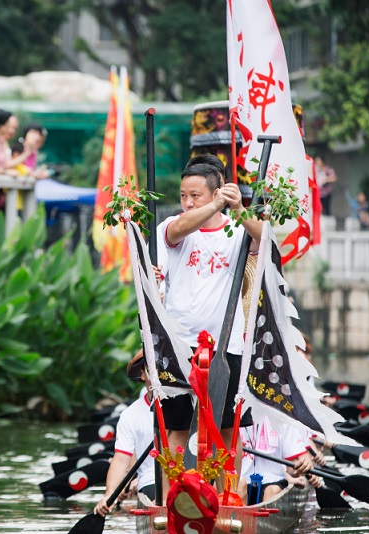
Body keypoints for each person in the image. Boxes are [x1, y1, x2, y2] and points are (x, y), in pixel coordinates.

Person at [157, 158, 263, 489]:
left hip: (225, 345)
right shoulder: (172, 226)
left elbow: (268, 241)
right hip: (177, 345)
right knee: (177, 428)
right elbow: (180, 228)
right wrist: (216, 203)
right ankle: (174, 497)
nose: (186, 202)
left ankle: (229, 498)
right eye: (183, 195)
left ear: (216, 192)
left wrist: (240, 209)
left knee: (227, 428)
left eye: (195, 196)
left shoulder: (237, 232)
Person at [94, 350, 155, 517]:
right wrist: (110, 495)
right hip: (152, 480)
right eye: (153, 366)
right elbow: (121, 460)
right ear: (143, 374)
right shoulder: (130, 415)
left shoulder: (191, 404)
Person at [237, 416, 313, 504]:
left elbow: (292, 469)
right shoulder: (233, 412)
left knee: (271, 491)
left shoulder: (283, 416)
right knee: (240, 486)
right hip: (240, 479)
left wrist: (301, 468)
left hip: (273, 481)